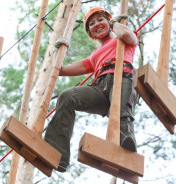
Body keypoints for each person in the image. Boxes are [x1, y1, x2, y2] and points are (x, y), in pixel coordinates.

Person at [44, 7, 139, 172]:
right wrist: (55, 52)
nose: (97, 24)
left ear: (109, 22)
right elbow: (60, 70)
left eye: (100, 20)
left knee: (121, 112)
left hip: (122, 78)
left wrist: (115, 23)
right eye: (92, 24)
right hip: (100, 87)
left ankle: (126, 146)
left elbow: (126, 35)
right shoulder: (95, 56)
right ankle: (56, 154)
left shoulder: (122, 40)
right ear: (91, 33)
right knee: (67, 96)